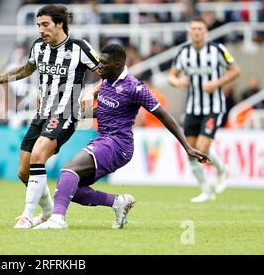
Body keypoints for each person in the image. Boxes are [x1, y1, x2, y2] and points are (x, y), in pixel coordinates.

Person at [34, 44, 209, 230]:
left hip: (118, 144)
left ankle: (57, 220)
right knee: (71, 189)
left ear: (117, 64)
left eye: (103, 63)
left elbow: (164, 115)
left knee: (69, 170)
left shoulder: (135, 88)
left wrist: (187, 147)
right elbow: (103, 111)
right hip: (104, 140)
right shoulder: (107, 81)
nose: (98, 67)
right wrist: (69, 112)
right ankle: (118, 202)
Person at [0, 4, 100, 228]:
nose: (41, 30)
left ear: (60, 24)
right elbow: (24, 71)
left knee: (38, 155)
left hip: (66, 113)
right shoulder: (39, 47)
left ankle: (27, 216)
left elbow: (108, 73)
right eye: (38, 25)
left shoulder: (80, 48)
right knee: (23, 171)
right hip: (41, 114)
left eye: (45, 25)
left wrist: (92, 90)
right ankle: (49, 210)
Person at [168, 17, 241, 203]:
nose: (197, 32)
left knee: (202, 147)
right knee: (191, 151)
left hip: (213, 107)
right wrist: (178, 82)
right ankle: (207, 189)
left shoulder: (217, 50)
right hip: (192, 107)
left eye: (200, 28)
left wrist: (216, 83)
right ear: (189, 31)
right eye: (193, 29)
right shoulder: (183, 52)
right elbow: (172, 76)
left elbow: (235, 70)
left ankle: (221, 170)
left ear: (206, 31)